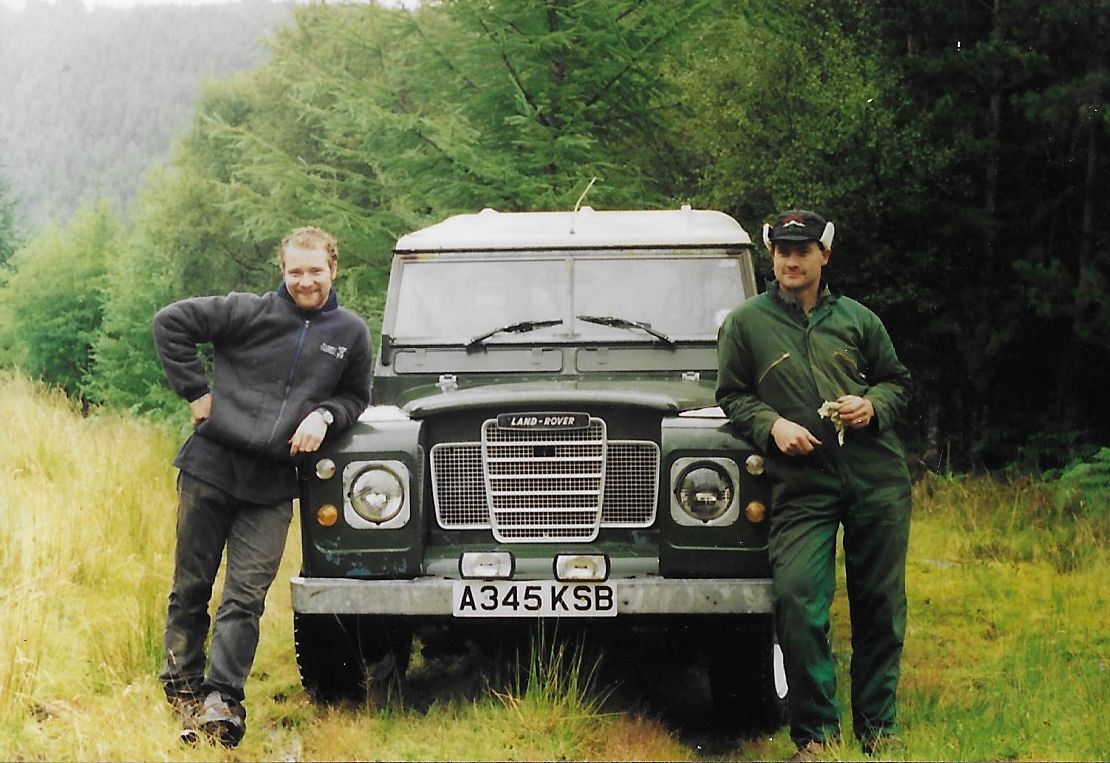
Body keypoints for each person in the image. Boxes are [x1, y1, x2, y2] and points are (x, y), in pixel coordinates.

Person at [152, 226, 372, 747]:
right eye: (295, 271)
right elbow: (171, 323)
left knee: (245, 598)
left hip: (273, 487)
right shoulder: (247, 312)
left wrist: (324, 413)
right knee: (191, 586)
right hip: (210, 469)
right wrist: (196, 391)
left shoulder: (350, 333)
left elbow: (356, 398)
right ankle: (182, 691)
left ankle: (222, 700)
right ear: (283, 271)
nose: (305, 281)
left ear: (332, 269)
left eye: (315, 270)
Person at [716, 210, 912, 761]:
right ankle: (817, 738)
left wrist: (870, 405)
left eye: (802, 250)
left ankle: (878, 729)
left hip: (874, 476)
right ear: (771, 256)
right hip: (800, 482)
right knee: (800, 603)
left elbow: (898, 383)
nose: (791, 260)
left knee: (879, 604)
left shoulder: (858, 319)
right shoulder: (746, 323)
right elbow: (731, 396)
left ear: (824, 255)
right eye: (782, 251)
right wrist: (771, 425)